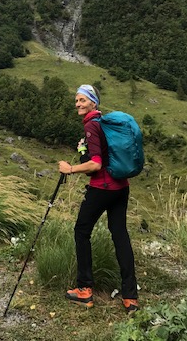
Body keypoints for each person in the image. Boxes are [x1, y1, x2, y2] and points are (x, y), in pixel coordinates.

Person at [58, 84, 139, 313]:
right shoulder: (105, 124)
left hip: (102, 188)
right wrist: (83, 151)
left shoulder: (92, 126)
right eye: (76, 100)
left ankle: (84, 289)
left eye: (82, 100)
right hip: (121, 187)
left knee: (81, 231)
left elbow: (95, 164)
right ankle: (130, 297)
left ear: (93, 102)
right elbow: (99, 155)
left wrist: (70, 169)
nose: (78, 104)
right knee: (120, 235)